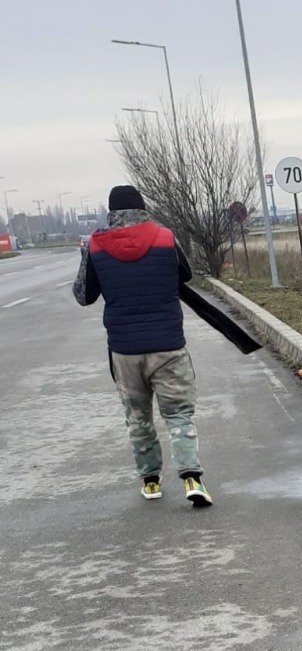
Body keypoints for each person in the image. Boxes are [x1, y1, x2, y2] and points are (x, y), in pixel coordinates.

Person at [73, 185, 213, 507]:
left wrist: (88, 257)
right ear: (142, 208)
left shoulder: (96, 246)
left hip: (124, 350)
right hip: (168, 346)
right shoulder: (165, 238)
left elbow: (84, 296)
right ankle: (192, 478)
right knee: (178, 414)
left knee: (138, 417)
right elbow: (186, 276)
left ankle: (150, 481)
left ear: (111, 212)